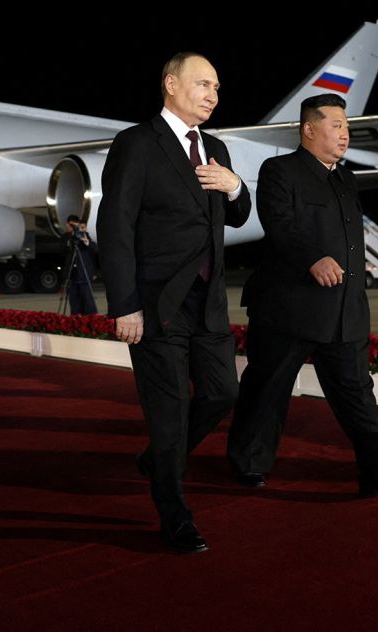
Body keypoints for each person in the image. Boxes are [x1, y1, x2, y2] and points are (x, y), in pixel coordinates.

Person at [227, 93, 378, 498]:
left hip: (342, 311)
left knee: (356, 392)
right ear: (309, 129)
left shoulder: (345, 179)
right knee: (267, 390)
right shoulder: (280, 170)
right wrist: (312, 258)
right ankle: (249, 464)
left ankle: (376, 469)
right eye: (336, 126)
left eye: (347, 127)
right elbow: (279, 223)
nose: (345, 134)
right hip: (288, 308)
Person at [97, 52, 252, 553]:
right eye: (203, 83)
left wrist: (235, 187)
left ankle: (160, 458)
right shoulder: (137, 144)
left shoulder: (217, 148)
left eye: (217, 87)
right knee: (168, 413)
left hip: (207, 303)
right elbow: (115, 227)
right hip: (156, 302)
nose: (213, 94)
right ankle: (175, 515)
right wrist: (124, 304)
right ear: (170, 83)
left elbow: (238, 216)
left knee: (224, 392)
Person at [62, 214, 98, 315]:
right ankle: (75, 319)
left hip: (85, 273)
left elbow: (95, 249)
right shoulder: (68, 237)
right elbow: (63, 250)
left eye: (82, 227)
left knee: (87, 300)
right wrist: (71, 239)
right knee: (74, 300)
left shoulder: (85, 236)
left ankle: (90, 318)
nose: (79, 229)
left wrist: (86, 241)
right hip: (72, 275)